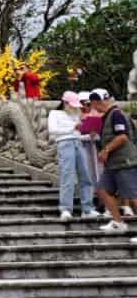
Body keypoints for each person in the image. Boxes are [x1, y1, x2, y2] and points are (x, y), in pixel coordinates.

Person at [47, 91, 99, 221]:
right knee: (67, 175)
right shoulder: (55, 114)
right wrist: (73, 127)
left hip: (78, 142)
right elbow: (53, 130)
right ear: (64, 102)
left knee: (85, 175)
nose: (75, 107)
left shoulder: (76, 114)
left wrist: (90, 135)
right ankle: (65, 209)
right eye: (72, 105)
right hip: (64, 144)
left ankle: (87, 209)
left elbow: (77, 134)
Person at [90, 90, 137, 234]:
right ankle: (118, 222)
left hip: (124, 161)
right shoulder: (106, 117)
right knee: (102, 189)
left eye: (92, 104)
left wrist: (106, 150)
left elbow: (122, 137)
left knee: (133, 196)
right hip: (113, 164)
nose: (93, 108)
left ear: (97, 102)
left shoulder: (116, 114)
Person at [78, 91, 104, 190]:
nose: (85, 107)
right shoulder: (76, 116)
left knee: (99, 172)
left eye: (88, 104)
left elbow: (100, 134)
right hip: (82, 148)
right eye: (82, 104)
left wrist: (93, 135)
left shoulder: (98, 114)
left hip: (96, 148)